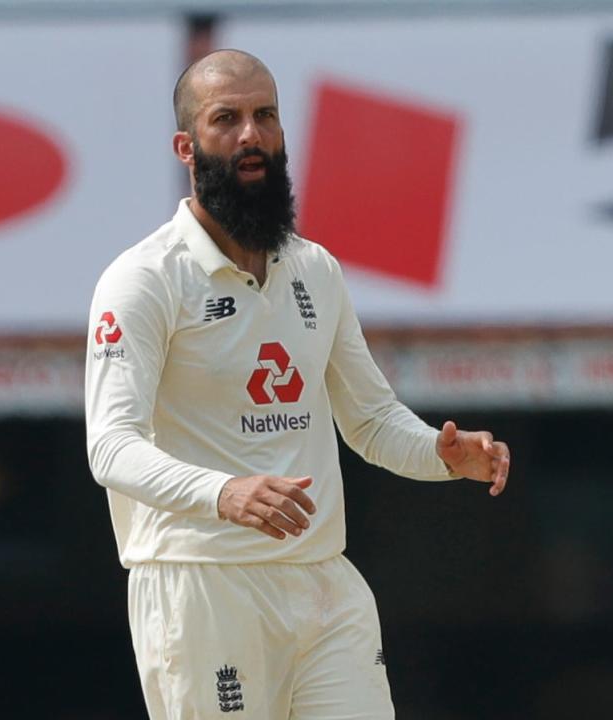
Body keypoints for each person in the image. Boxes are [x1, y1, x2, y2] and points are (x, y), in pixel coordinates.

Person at [85, 49, 510, 720]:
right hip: (203, 583)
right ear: (185, 146)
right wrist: (221, 492)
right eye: (226, 119)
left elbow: (369, 422)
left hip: (322, 581)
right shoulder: (143, 279)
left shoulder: (315, 269)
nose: (250, 134)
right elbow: (110, 446)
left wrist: (438, 454)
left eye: (265, 116)